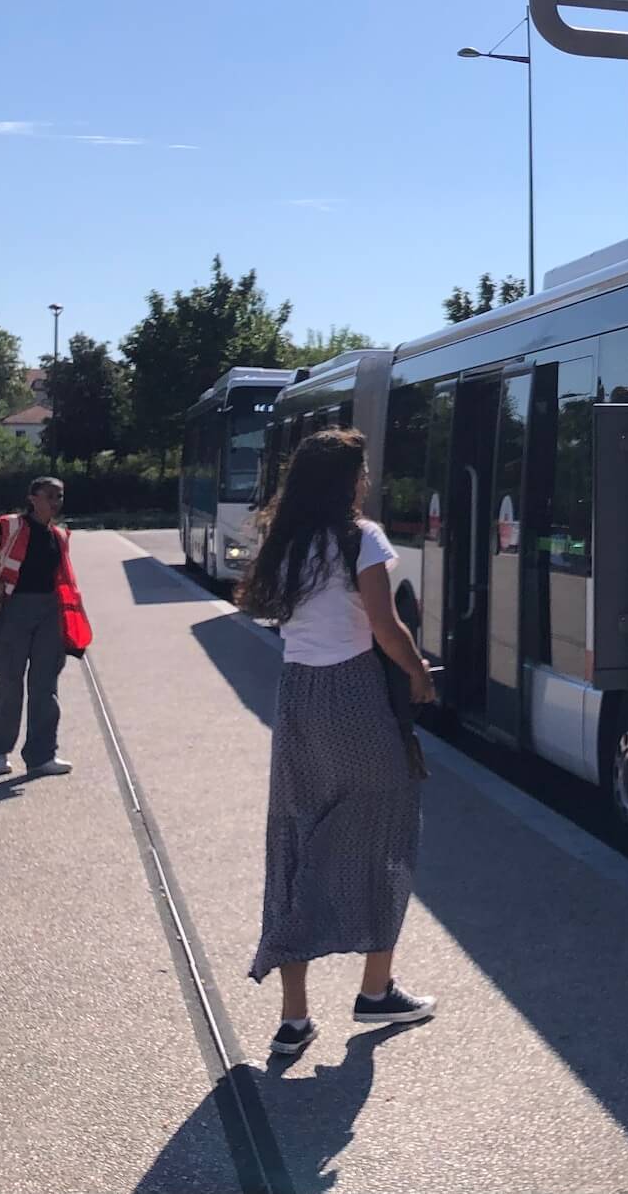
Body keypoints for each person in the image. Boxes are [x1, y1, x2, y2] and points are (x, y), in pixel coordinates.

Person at [236, 428, 438, 1058]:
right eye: (362, 471)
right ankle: (375, 990)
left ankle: (294, 1018)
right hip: (354, 697)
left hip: (297, 698)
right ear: (348, 478)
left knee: (298, 834)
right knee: (386, 828)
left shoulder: (285, 541)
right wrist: (417, 672)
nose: (367, 480)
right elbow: (385, 625)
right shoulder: (363, 537)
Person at [0, 476, 79, 777]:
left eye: (60, 497)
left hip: (48, 611)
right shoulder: (11, 526)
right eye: (49, 496)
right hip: (14, 609)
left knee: (45, 685)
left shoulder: (58, 535)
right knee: (9, 682)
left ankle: (42, 756)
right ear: (32, 498)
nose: (55, 502)